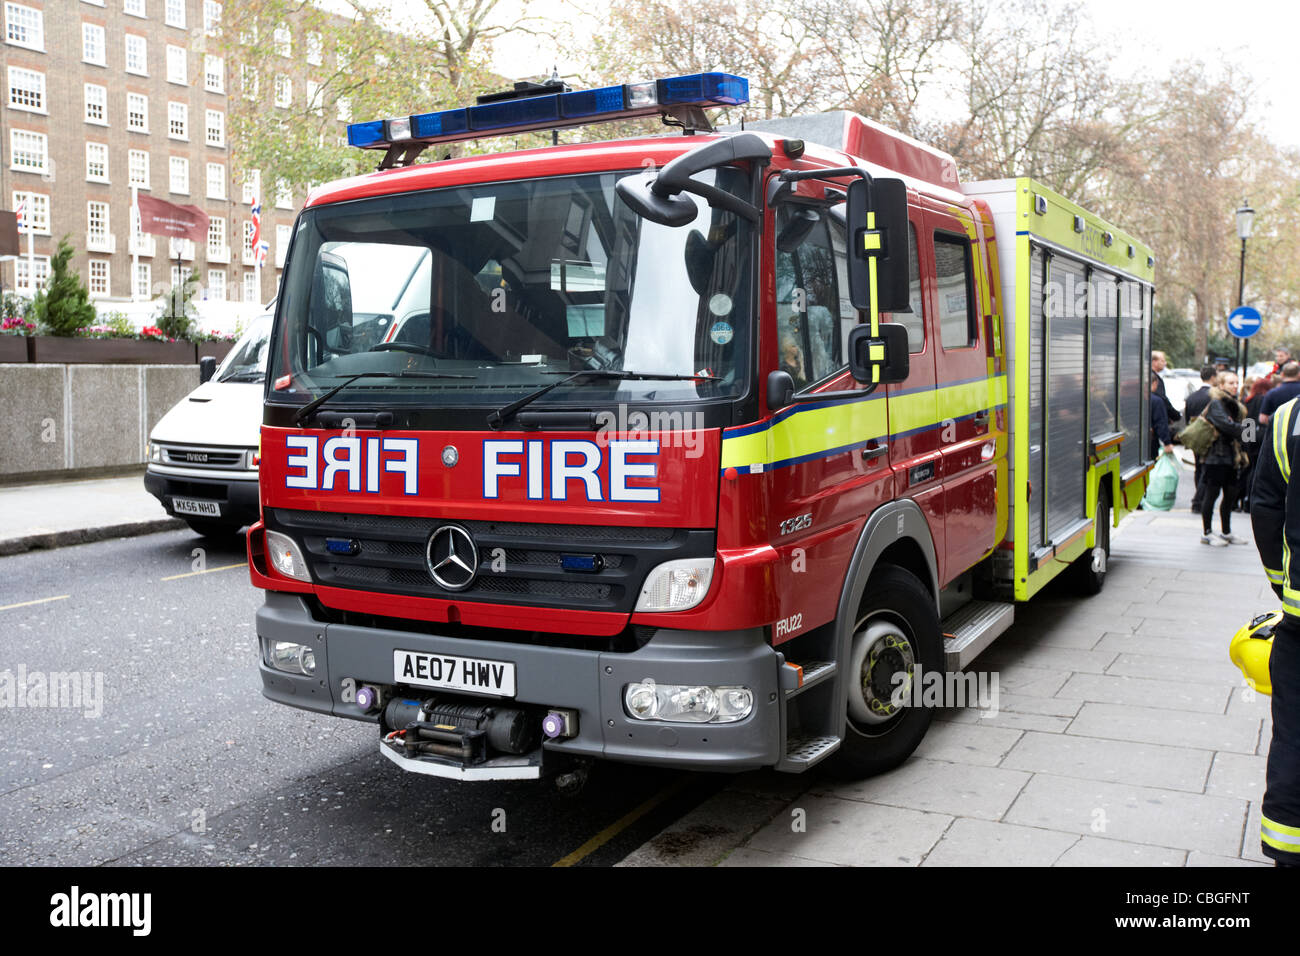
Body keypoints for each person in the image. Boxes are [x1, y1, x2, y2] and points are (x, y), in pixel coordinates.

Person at [1249, 395, 1300, 866]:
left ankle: (1288, 849)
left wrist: (1284, 588)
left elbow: (1265, 505)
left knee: (1294, 735)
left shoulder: (1291, 417)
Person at [1199, 370, 1247, 545]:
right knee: (1211, 494)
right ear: (1221, 385)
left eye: (1236, 383)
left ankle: (1226, 532)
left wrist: (1247, 432)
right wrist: (1248, 431)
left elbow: (1244, 427)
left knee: (1230, 494)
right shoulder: (1217, 403)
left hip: (1231, 457)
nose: (1235, 386)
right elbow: (1227, 426)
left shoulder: (1236, 404)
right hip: (1215, 457)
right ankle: (1207, 532)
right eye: (1230, 383)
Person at [1186, 365, 1218, 512]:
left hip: (1195, 437)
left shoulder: (1192, 397)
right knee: (1206, 469)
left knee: (1198, 468)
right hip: (1210, 437)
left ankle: (1199, 495)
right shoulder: (1214, 396)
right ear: (1213, 377)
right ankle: (1199, 500)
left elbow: (1187, 418)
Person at [1150, 351, 1181, 428]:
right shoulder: (1154, 378)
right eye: (1162, 360)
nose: (1165, 363)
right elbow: (1162, 398)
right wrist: (1175, 415)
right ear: (1154, 362)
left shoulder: (1149, 375)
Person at [1149, 375, 1174, 457]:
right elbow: (1160, 423)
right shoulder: (1156, 401)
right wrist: (1167, 442)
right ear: (1155, 383)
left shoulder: (1133, 399)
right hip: (1151, 441)